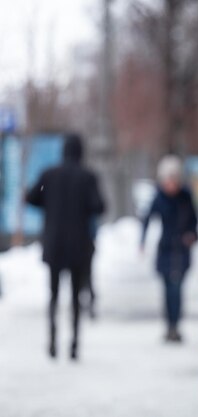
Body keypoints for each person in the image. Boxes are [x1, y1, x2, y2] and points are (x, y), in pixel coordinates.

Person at [26, 133, 105, 360]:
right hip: (79, 246)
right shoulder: (87, 177)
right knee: (75, 297)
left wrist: (50, 203)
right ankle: (74, 344)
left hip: (54, 244)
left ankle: (52, 340)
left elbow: (31, 198)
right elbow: (99, 206)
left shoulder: (49, 175)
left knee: (52, 294)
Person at [141, 155, 198, 342]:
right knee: (167, 289)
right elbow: (147, 219)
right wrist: (142, 241)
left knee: (177, 289)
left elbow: (194, 221)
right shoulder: (158, 197)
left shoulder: (186, 196)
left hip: (181, 249)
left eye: (174, 179)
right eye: (168, 180)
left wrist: (192, 235)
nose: (171, 184)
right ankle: (169, 325)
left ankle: (175, 325)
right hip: (165, 249)